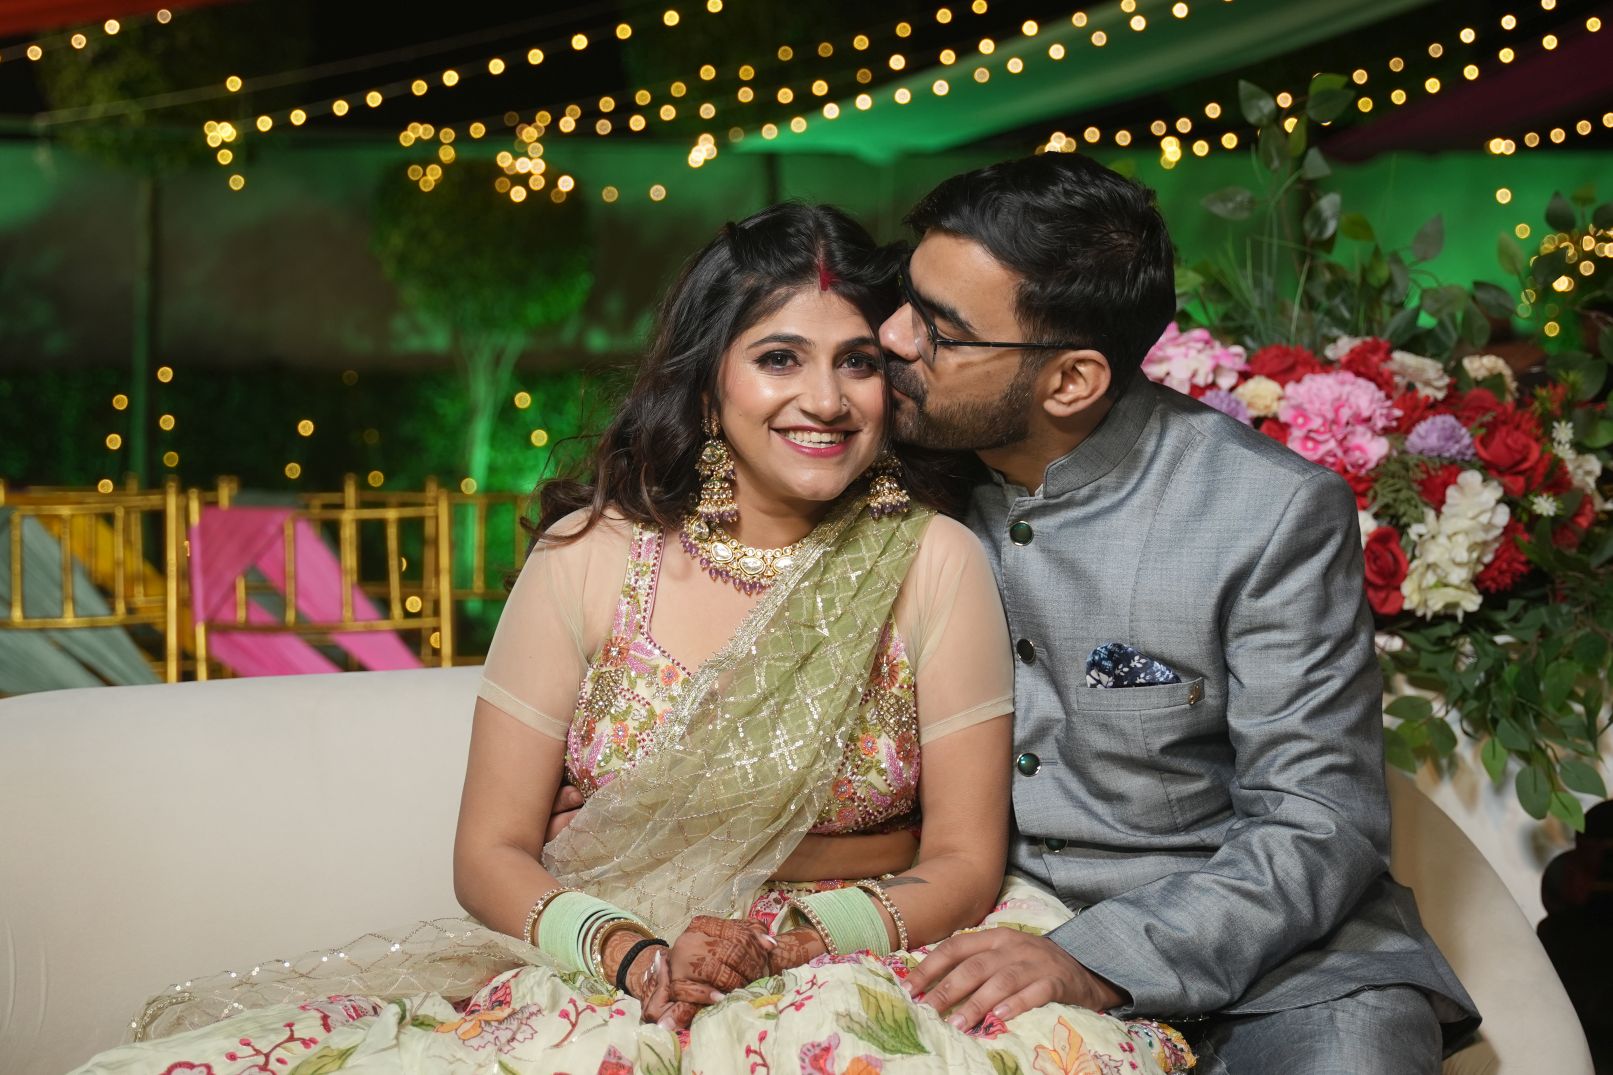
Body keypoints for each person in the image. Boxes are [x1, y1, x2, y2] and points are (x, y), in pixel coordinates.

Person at [72, 203, 1191, 1075]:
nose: (825, 398)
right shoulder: (590, 556)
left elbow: (962, 859)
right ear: (709, 383)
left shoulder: (929, 559)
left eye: (857, 360)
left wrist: (793, 940)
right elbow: (490, 851)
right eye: (779, 358)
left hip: (857, 947)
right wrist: (634, 953)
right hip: (617, 954)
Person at [879, 154, 1481, 1074]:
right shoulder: (899, 469)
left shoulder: (1265, 511)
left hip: (1280, 965)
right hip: (987, 930)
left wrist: (1094, 958)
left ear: (1071, 381)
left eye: (941, 331)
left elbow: (1315, 819)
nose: (891, 336)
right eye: (905, 298)